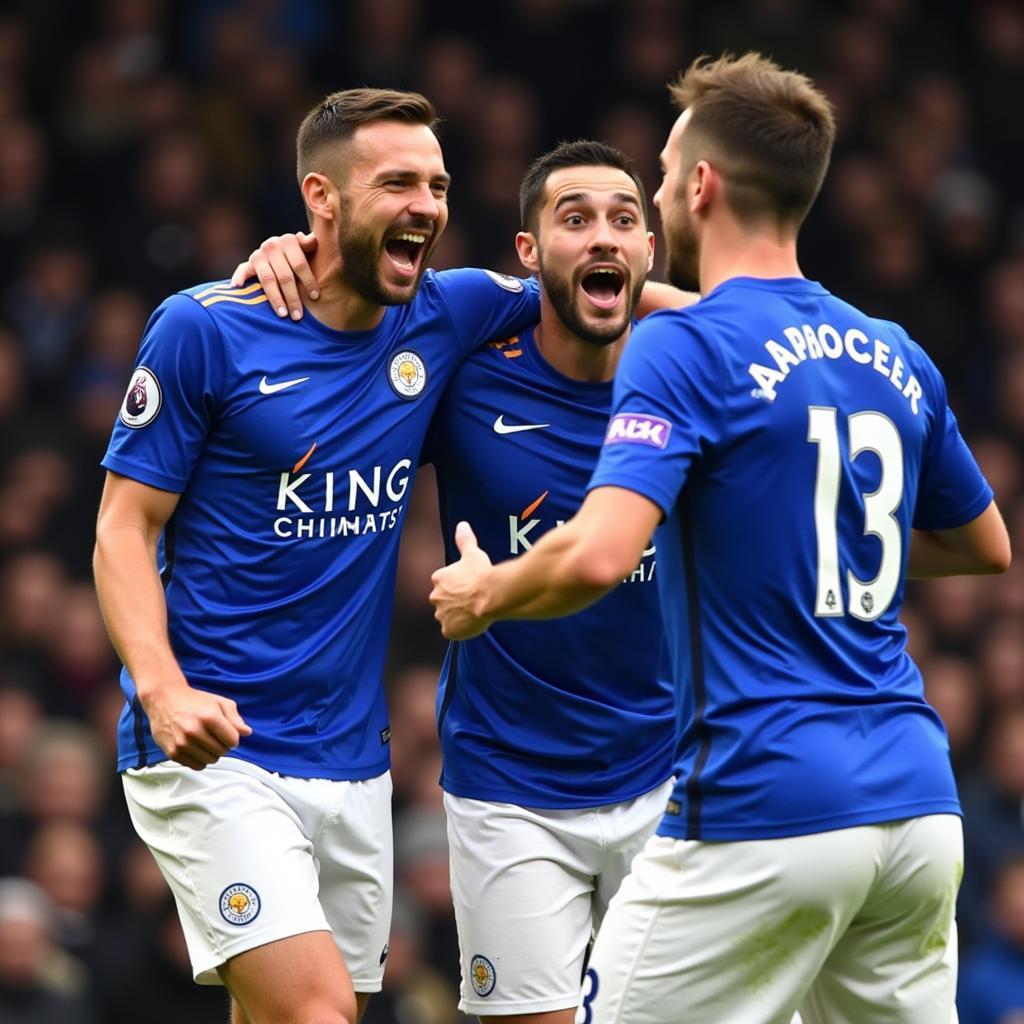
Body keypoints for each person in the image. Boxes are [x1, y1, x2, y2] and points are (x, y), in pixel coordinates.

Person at [429, 52, 1012, 1023]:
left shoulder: (684, 342)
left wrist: (486, 593)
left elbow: (601, 552)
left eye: (656, 177)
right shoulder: (892, 351)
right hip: (916, 799)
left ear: (697, 186)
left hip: (761, 796)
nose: (652, 197)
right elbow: (983, 542)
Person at [93, 87, 542, 1024]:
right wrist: (162, 687)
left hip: (352, 761)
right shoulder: (205, 327)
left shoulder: (444, 313)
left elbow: (594, 285)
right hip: (217, 748)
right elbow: (122, 529)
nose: (427, 204)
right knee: (316, 1014)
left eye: (438, 184)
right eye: (398, 183)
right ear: (321, 198)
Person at [235, 139, 683, 1024]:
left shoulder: (693, 374)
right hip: (507, 783)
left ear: (649, 252)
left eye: (624, 222)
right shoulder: (464, 375)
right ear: (527, 253)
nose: (602, 238)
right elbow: (351, 334)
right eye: (575, 219)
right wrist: (299, 257)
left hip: (671, 771)